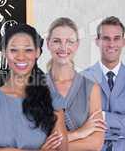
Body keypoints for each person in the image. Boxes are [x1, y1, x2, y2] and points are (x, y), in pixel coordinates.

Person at [0, 24, 68, 151]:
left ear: (37, 52)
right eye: (14, 50)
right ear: (4, 52)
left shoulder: (52, 100)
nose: (21, 57)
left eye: (28, 50)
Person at [81, 16, 125, 151]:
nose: (111, 44)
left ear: (123, 42)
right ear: (97, 41)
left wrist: (102, 117)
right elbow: (79, 124)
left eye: (116, 38)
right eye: (106, 38)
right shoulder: (82, 79)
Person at [45, 17, 105, 151]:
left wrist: (50, 147)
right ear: (48, 44)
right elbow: (31, 141)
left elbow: (96, 142)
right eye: (56, 41)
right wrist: (80, 133)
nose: (63, 47)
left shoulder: (92, 88)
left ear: (77, 45)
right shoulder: (34, 88)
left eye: (69, 41)